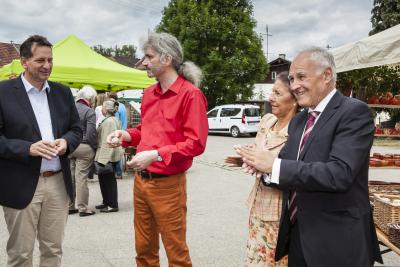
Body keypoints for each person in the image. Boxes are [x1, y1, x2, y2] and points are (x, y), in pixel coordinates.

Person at [236, 47, 382, 267]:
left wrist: (274, 166)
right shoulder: (300, 120)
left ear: (326, 75)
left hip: (338, 242)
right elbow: (288, 167)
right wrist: (262, 169)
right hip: (299, 238)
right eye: (292, 78)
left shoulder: (354, 112)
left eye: (301, 77)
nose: (295, 85)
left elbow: (339, 173)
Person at [107, 32, 208, 267]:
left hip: (169, 185)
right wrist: (126, 135)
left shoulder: (190, 95)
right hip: (141, 183)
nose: (144, 62)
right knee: (143, 250)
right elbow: (146, 130)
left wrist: (156, 154)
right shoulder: (150, 93)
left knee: (177, 254)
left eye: (148, 56)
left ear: (167, 59)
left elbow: (196, 143)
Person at [0, 35, 82, 267]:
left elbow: (76, 130)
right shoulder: (3, 92)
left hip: (57, 183)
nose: (47, 65)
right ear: (24, 61)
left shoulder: (63, 93)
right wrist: (28, 148)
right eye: (40, 60)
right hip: (21, 183)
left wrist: (66, 142)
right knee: (20, 254)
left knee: (53, 250)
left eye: (50, 60)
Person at [226, 72, 297, 267]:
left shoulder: (297, 132)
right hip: (257, 204)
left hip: (277, 212)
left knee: (272, 261)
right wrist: (245, 159)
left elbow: (291, 170)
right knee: (254, 258)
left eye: (277, 93)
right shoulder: (267, 120)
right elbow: (259, 153)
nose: (270, 98)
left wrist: (265, 166)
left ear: (294, 100)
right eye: (272, 91)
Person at [69, 85, 98, 217]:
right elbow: (91, 133)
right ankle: (83, 208)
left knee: (71, 177)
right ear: (90, 98)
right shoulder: (89, 111)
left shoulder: (69, 109)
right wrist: (95, 147)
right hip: (84, 146)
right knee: (81, 178)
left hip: (70, 146)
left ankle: (70, 206)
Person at [94, 98, 123, 213]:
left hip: (107, 155)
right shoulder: (111, 120)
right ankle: (106, 201)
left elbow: (107, 142)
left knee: (108, 180)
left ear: (106, 109)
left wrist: (103, 159)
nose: (102, 108)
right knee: (104, 179)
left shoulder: (109, 121)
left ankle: (112, 204)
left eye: (103, 106)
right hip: (108, 154)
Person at [108, 91, 127, 179]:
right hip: (122, 130)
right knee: (118, 152)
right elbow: (124, 121)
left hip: (114, 130)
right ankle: (118, 173)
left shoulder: (114, 106)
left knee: (114, 152)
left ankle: (116, 172)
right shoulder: (122, 106)